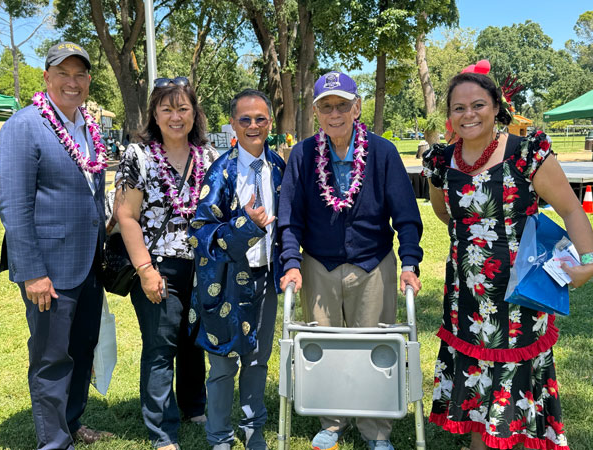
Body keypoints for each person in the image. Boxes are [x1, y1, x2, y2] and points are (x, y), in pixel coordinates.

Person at [422, 69, 593, 450]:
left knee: (511, 369)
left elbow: (571, 209)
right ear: (449, 115)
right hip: (465, 294)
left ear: (496, 107)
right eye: (459, 108)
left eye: (478, 105)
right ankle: (480, 441)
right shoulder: (441, 162)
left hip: (518, 293)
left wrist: (589, 261)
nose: (468, 114)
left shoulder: (526, 154)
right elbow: (444, 213)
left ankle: (508, 437)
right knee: (475, 367)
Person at [278, 71, 424, 450]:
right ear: (316, 113)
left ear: (357, 107)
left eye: (342, 105)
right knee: (323, 345)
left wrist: (409, 262)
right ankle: (332, 421)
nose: (335, 114)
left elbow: (406, 215)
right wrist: (291, 262)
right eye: (326, 107)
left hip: (373, 262)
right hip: (318, 263)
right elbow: (290, 217)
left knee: (374, 346)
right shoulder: (303, 154)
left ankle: (375, 429)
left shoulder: (383, 151)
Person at [0, 41, 112, 449]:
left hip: (88, 263)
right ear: (46, 77)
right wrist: (32, 272)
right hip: (49, 269)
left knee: (81, 348)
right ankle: (54, 442)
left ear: (89, 81)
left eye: (80, 74)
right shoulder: (24, 126)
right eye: (63, 73)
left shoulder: (87, 127)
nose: (72, 82)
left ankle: (72, 421)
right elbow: (13, 205)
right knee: (51, 358)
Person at [113, 76, 218, 450]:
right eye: (167, 108)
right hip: (157, 264)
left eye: (183, 108)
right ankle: (162, 430)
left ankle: (195, 406)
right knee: (161, 346)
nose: (176, 116)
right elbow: (126, 216)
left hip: (200, 267)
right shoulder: (138, 155)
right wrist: (145, 270)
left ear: (194, 113)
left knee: (193, 341)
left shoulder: (207, 156)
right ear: (154, 114)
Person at [188, 88, 285, 450]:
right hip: (225, 282)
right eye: (245, 119)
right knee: (224, 364)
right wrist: (245, 225)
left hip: (266, 280)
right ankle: (219, 436)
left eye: (260, 118)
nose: (253, 126)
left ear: (270, 122)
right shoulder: (220, 172)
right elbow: (200, 233)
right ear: (232, 123)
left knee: (258, 359)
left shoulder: (279, 167)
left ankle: (253, 429)